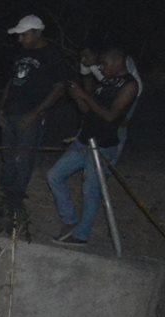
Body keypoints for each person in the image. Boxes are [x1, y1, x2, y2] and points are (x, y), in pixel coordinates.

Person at [47, 47, 138, 246]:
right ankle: (70, 220)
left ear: (118, 61)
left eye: (104, 63)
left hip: (103, 145)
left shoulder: (130, 85)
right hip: (84, 140)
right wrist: (77, 97)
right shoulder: (106, 82)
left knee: (91, 190)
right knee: (54, 175)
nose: (100, 67)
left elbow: (110, 116)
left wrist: (84, 95)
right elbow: (87, 110)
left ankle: (81, 235)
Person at [0, 15, 71, 208]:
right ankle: (4, 191)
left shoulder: (53, 55)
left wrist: (36, 113)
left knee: (24, 158)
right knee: (8, 155)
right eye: (19, 35)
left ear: (38, 33)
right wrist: (1, 109)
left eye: (24, 35)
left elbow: (60, 87)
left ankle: (16, 197)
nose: (20, 39)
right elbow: (11, 82)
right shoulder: (20, 53)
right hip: (10, 112)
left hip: (31, 114)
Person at [78, 47, 142, 162]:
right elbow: (88, 88)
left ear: (97, 54)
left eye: (86, 56)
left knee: (119, 125)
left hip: (128, 92)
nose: (83, 59)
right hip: (107, 90)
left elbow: (125, 83)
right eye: (82, 56)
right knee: (95, 119)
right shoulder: (86, 63)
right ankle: (89, 155)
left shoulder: (117, 59)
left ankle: (110, 162)